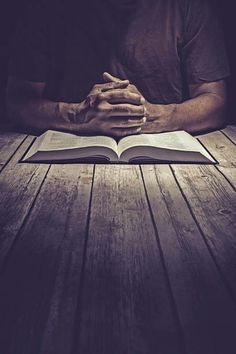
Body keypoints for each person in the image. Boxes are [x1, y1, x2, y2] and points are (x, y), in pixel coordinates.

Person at [6, 0, 230, 138]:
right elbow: (16, 100)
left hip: (166, 161)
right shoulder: (46, 7)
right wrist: (77, 115)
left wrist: (154, 117)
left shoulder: (188, 5)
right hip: (61, 160)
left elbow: (215, 100)